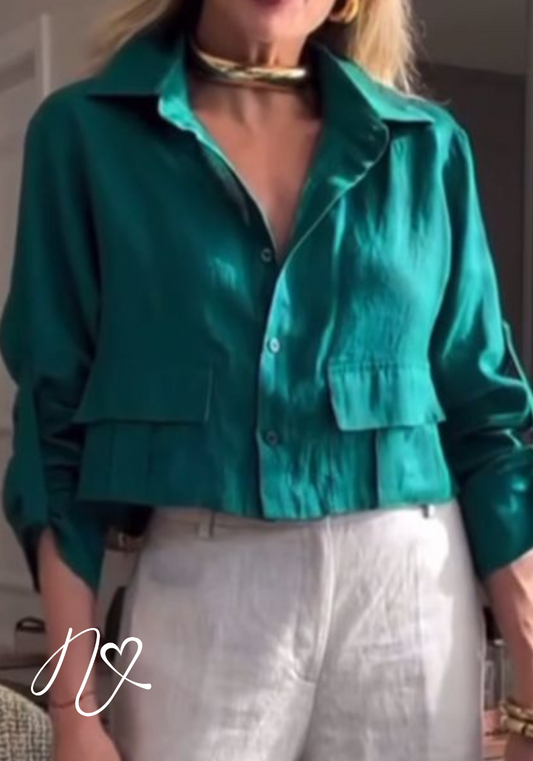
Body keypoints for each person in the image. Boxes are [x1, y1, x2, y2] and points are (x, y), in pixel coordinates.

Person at [2, 0, 533, 759]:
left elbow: (485, 417)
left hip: (411, 588)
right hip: (201, 585)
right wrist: (75, 713)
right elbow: (52, 430)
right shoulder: (83, 137)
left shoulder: (428, 148)